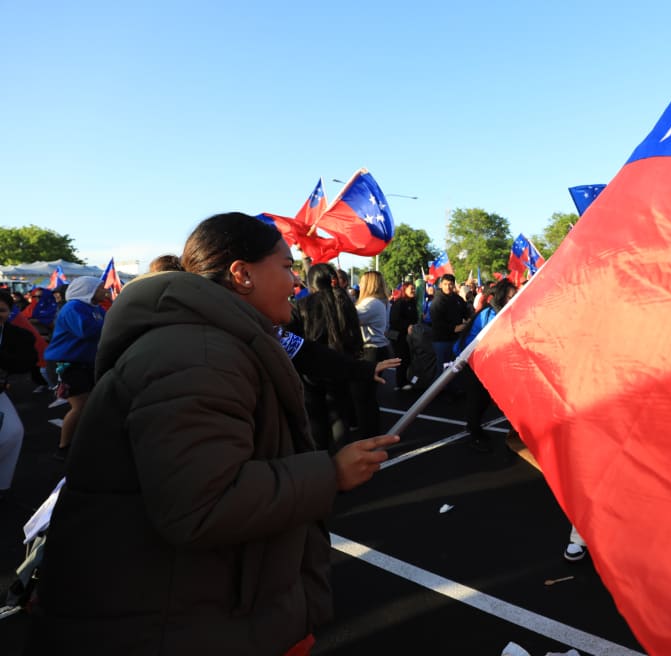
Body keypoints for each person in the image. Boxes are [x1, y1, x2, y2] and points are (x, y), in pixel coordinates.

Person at [27, 212, 399, 654]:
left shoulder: (219, 338)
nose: (295, 283)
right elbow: (202, 504)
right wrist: (330, 473)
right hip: (168, 618)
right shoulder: (198, 352)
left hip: (185, 604)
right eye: (285, 267)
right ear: (241, 274)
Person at [287, 263, 365, 452]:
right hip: (341, 369)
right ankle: (345, 461)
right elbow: (355, 338)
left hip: (310, 373)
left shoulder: (302, 305)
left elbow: (293, 342)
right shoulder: (345, 302)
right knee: (340, 419)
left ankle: (321, 464)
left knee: (316, 421)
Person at [42, 276, 107, 460]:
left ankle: (82, 442)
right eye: (101, 288)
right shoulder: (73, 307)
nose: (105, 290)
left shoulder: (98, 309)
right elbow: (86, 331)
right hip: (65, 364)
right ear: (90, 290)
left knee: (90, 405)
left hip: (84, 363)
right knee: (80, 406)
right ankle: (63, 448)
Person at [453, 278, 517, 452]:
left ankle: (475, 428)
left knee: (484, 399)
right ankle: (474, 434)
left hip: (486, 362)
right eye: (511, 296)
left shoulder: (503, 312)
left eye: (515, 295)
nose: (514, 299)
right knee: (477, 398)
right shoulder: (489, 314)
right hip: (470, 362)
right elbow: (488, 341)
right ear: (502, 296)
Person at [0, 290, 38, 499]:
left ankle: (2, 485)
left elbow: (25, 362)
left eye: (2, 310)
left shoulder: (18, 335)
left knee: (13, 433)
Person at [352, 271, 392, 438]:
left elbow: (350, 319)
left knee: (362, 396)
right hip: (378, 349)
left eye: (362, 282)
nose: (360, 285)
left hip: (371, 351)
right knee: (369, 395)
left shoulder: (371, 303)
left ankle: (367, 434)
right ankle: (371, 431)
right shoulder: (382, 302)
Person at [430, 273, 470, 368]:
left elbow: (466, 312)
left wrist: (469, 319)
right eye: (445, 284)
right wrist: (454, 328)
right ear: (441, 285)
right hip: (442, 341)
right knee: (443, 370)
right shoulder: (437, 301)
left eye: (450, 284)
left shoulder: (458, 299)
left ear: (453, 284)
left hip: (456, 339)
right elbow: (437, 322)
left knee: (455, 369)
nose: (448, 287)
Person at [387, 278, 418, 390]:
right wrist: (407, 326)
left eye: (414, 288)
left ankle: (405, 380)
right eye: (411, 288)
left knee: (407, 358)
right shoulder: (399, 303)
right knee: (401, 358)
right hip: (398, 336)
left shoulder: (412, 302)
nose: (413, 290)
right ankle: (400, 383)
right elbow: (394, 320)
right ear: (404, 290)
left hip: (408, 336)